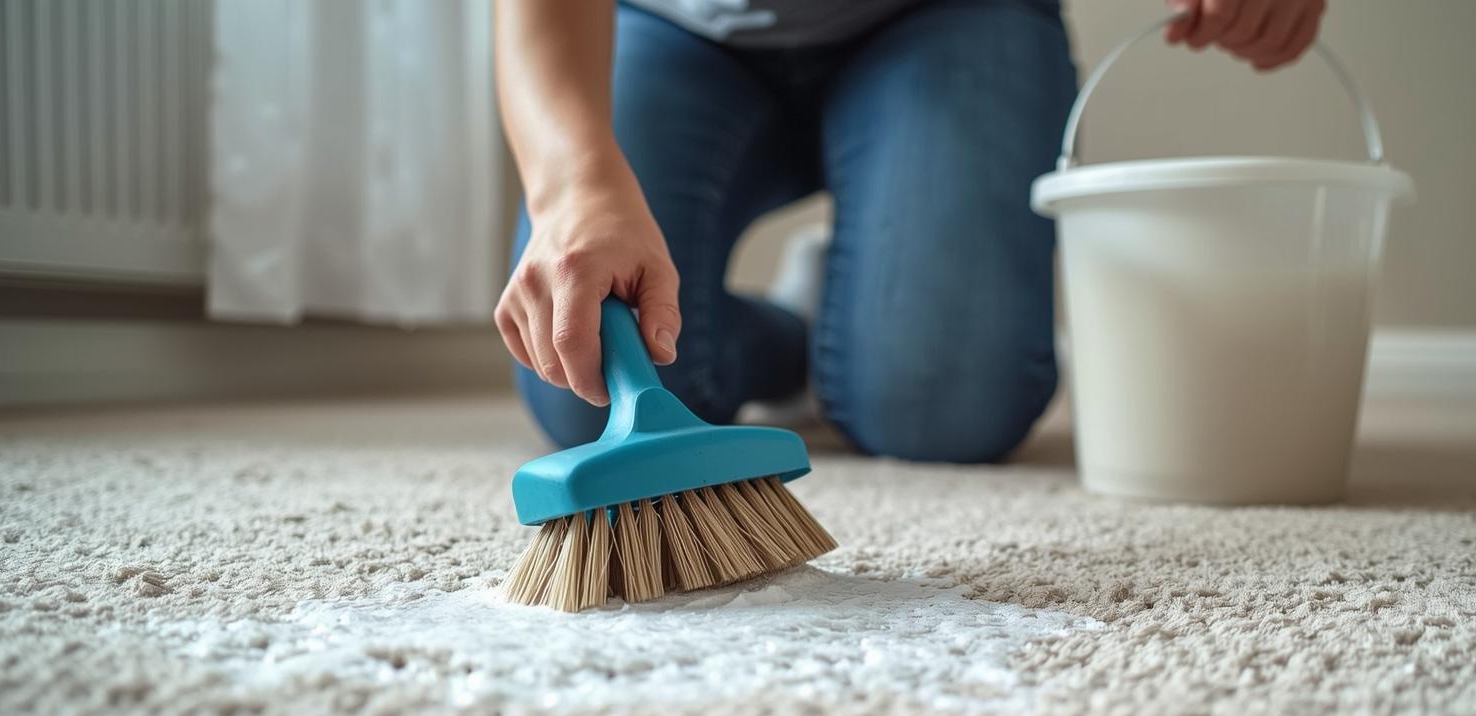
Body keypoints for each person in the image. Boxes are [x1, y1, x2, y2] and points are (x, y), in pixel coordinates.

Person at [493, 0, 1327, 463]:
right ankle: (804, 335)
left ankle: (861, 326)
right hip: (672, 27)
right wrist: (574, 186)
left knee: (942, 408)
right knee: (582, 384)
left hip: (950, 19)